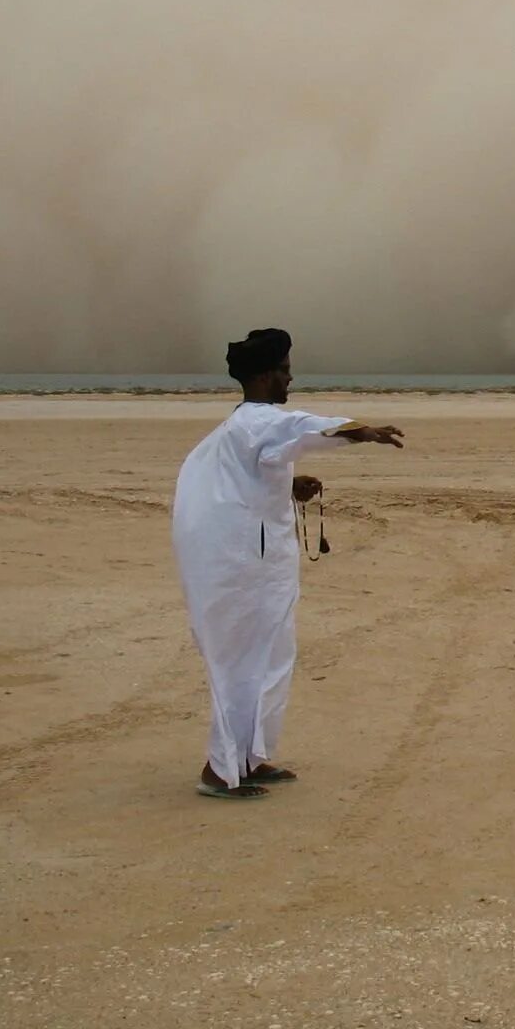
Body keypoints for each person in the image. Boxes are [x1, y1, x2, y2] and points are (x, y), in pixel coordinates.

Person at [172, 328, 404, 799]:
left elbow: (255, 472)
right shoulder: (255, 422)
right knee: (242, 661)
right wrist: (362, 431)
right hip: (243, 569)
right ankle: (220, 770)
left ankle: (250, 758)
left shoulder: (242, 431)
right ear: (261, 377)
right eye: (282, 370)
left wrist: (290, 487)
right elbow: (302, 428)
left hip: (262, 567)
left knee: (272, 659)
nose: (290, 378)